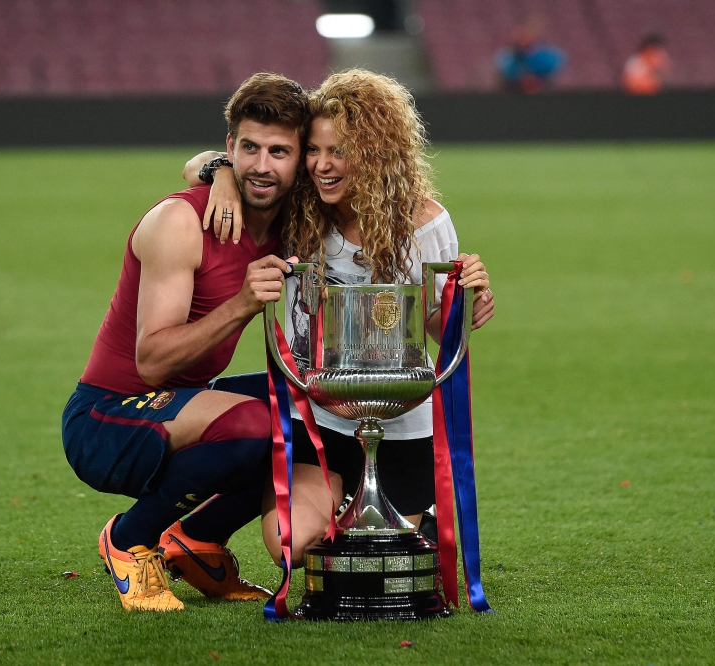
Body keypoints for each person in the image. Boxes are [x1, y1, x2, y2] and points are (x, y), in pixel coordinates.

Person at [184, 69, 495, 568]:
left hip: (399, 422)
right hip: (318, 414)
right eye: (314, 151)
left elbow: (438, 329)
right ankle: (214, 525)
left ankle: (424, 516)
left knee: (387, 560)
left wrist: (468, 304)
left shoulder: (425, 221)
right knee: (296, 544)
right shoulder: (296, 207)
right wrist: (221, 174)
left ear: (375, 152)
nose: (322, 166)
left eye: (339, 152)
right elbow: (197, 162)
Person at [61, 73, 310, 611]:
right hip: (108, 417)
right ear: (230, 147)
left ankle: (196, 541)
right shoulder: (181, 220)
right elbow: (151, 362)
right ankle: (128, 541)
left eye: (278, 151)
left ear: (300, 159)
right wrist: (243, 303)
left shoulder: (291, 218)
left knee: (313, 409)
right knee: (256, 425)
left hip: (187, 404)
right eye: (247, 148)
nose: (261, 165)